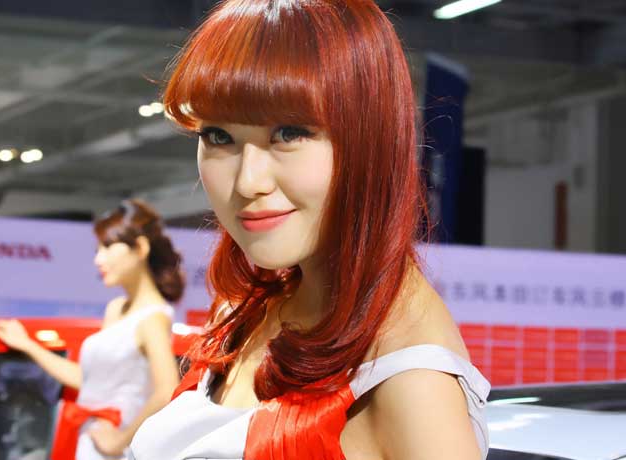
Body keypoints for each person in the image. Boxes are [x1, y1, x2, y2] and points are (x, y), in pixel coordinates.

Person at [130, 0, 491, 459]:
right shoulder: (249, 309)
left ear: (370, 138)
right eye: (218, 136)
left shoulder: (410, 384)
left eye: (290, 133)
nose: (248, 182)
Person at [0, 199, 183, 460]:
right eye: (97, 249)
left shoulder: (153, 318)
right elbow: (89, 380)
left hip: (116, 449)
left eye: (107, 247)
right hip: (90, 442)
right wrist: (28, 346)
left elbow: (167, 390)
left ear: (140, 248)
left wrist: (121, 442)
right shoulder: (116, 309)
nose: (98, 259)